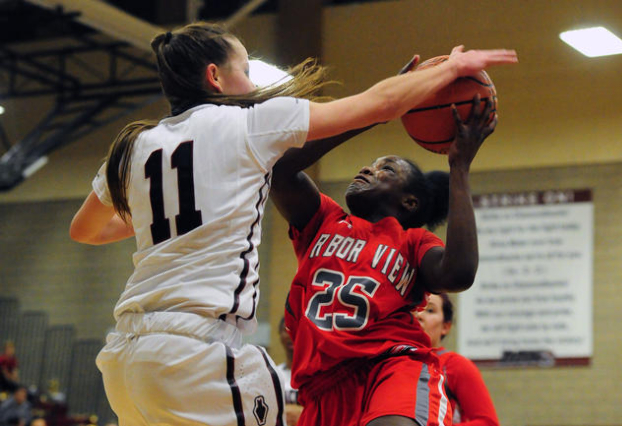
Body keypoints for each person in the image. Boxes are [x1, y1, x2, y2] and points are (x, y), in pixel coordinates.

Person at [69, 19, 516, 426]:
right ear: (215, 77)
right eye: (245, 67)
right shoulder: (247, 124)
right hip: (200, 352)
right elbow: (376, 105)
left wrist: (167, 215)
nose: (251, 80)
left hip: (126, 357)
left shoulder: (134, 145)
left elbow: (85, 230)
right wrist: (451, 67)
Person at [269, 52, 516, 424]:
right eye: (369, 164)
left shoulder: (412, 241)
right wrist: (374, 111)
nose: (368, 168)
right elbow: (281, 170)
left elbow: (459, 274)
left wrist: (459, 167)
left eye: (386, 168)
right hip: (321, 391)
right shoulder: (321, 220)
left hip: (391, 367)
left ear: (409, 200)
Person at [414, 293, 499, 426]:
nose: (419, 315)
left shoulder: (456, 365)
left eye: (430, 310)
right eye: (414, 308)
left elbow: (488, 422)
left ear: (445, 327)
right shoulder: (389, 361)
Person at [274, 318, 302, 425]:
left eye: (297, 329)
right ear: (280, 335)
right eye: (286, 330)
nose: (291, 334)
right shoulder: (274, 374)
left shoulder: (317, 375)